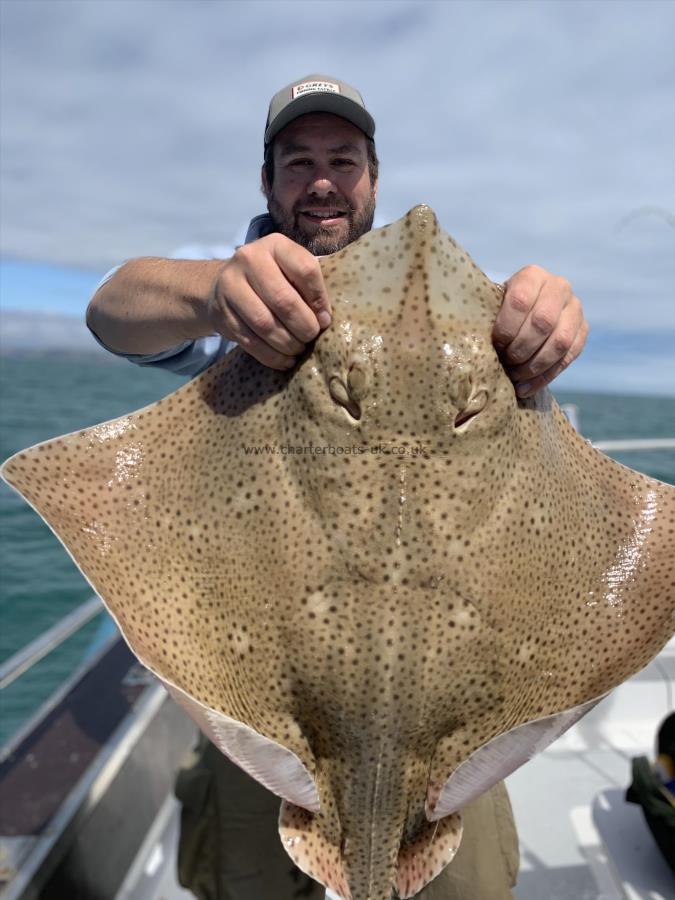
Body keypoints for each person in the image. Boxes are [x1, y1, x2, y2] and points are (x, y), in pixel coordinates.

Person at [86, 75, 589, 900]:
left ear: (373, 178)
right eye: (298, 161)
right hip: (260, 708)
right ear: (267, 181)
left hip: (453, 727)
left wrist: (549, 315)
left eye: (343, 160)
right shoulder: (241, 311)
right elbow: (111, 309)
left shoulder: (459, 324)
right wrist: (214, 294)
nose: (322, 181)